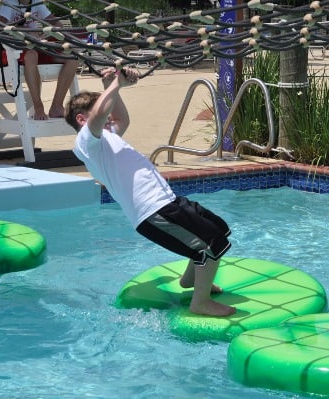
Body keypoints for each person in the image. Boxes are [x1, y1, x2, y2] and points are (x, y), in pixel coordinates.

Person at [66, 67, 236, 317]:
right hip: (153, 212)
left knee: (218, 229)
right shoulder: (86, 143)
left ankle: (192, 280)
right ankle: (200, 302)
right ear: (82, 119)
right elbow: (100, 115)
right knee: (210, 245)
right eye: (103, 109)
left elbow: (122, 118)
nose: (109, 114)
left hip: (167, 202)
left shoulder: (106, 137)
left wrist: (109, 84)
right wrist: (117, 86)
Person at [0, 0, 79, 120]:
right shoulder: (10, 2)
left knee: (73, 58)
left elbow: (58, 25)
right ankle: (38, 107)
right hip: (14, 51)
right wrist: (24, 30)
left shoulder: (37, 2)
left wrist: (44, 33)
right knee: (32, 55)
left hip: (36, 47)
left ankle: (56, 106)